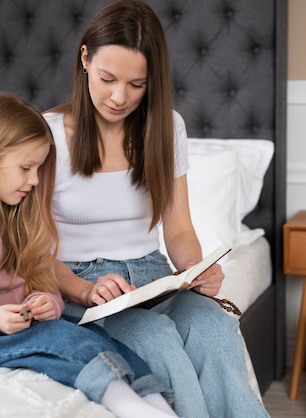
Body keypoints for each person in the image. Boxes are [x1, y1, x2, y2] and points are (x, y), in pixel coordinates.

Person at [0, 91, 177, 418]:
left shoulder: (16, 214)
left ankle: (151, 399)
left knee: (83, 333)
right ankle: (128, 405)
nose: (35, 180)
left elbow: (40, 282)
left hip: (5, 326)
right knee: (61, 338)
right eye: (26, 167)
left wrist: (46, 303)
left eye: (38, 168)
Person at [44, 1, 271, 417]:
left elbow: (179, 228)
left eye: (137, 84)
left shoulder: (168, 127)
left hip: (155, 278)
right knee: (157, 340)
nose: (119, 97)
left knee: (216, 330)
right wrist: (85, 290)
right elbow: (33, 250)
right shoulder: (47, 135)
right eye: (107, 78)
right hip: (83, 286)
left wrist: (196, 268)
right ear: (84, 59)